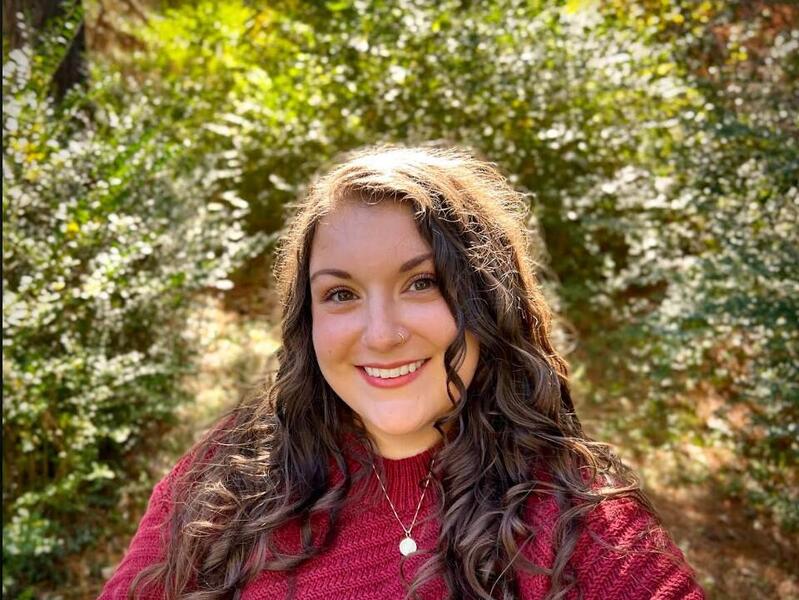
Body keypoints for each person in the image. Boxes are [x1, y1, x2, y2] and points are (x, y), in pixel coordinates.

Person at [99, 145, 705, 599]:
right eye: (341, 294)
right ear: (307, 321)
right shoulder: (221, 485)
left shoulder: (581, 521)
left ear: (488, 301)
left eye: (422, 283)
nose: (382, 334)